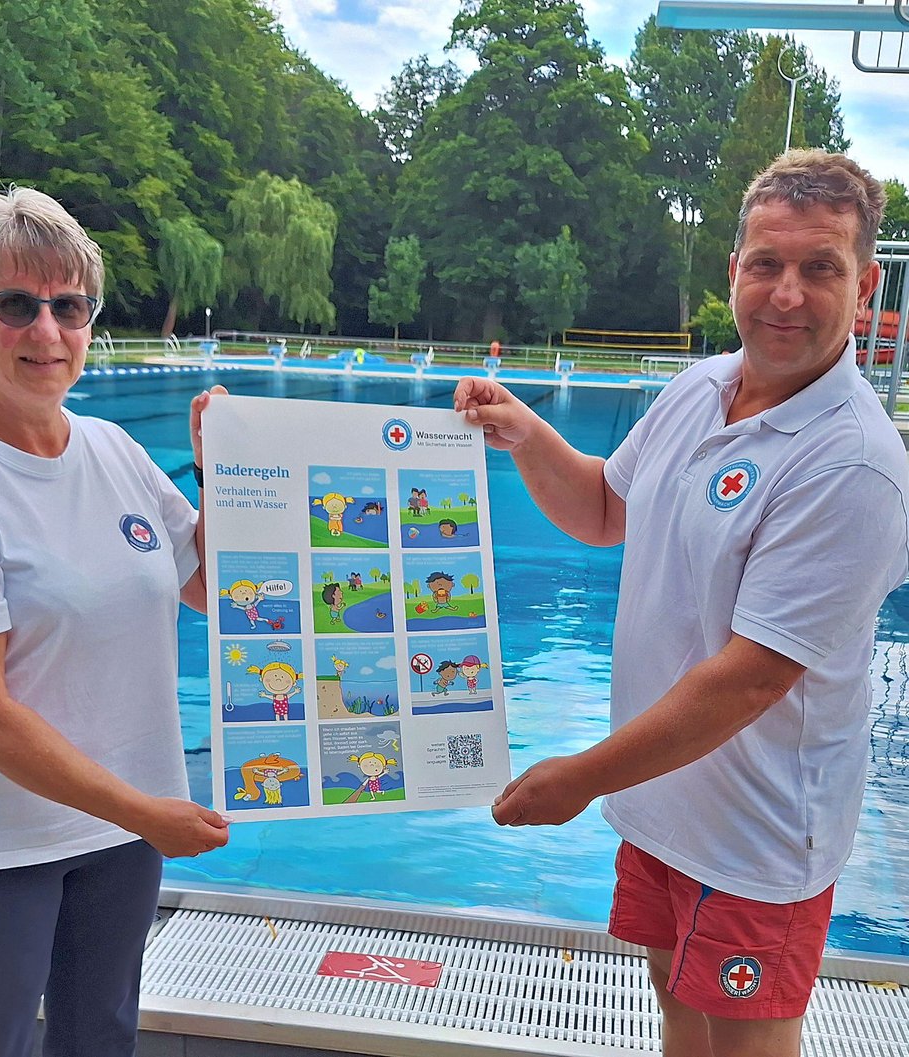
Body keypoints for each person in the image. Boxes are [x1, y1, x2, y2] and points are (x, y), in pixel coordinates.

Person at [453, 150, 909, 1057]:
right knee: (673, 996)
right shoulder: (699, 388)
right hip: (664, 802)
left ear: (862, 293)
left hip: (757, 833)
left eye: (821, 267)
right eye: (768, 263)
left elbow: (747, 681)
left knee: (745, 1038)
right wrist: (528, 433)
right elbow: (603, 508)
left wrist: (580, 776)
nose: (787, 292)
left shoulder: (851, 463)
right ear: (733, 270)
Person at [0, 187, 230, 1057]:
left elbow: (212, 590)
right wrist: (148, 810)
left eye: (67, 305)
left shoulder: (115, 450)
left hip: (123, 826)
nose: (46, 331)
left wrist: (232, 475)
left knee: (100, 1038)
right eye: (16, 304)